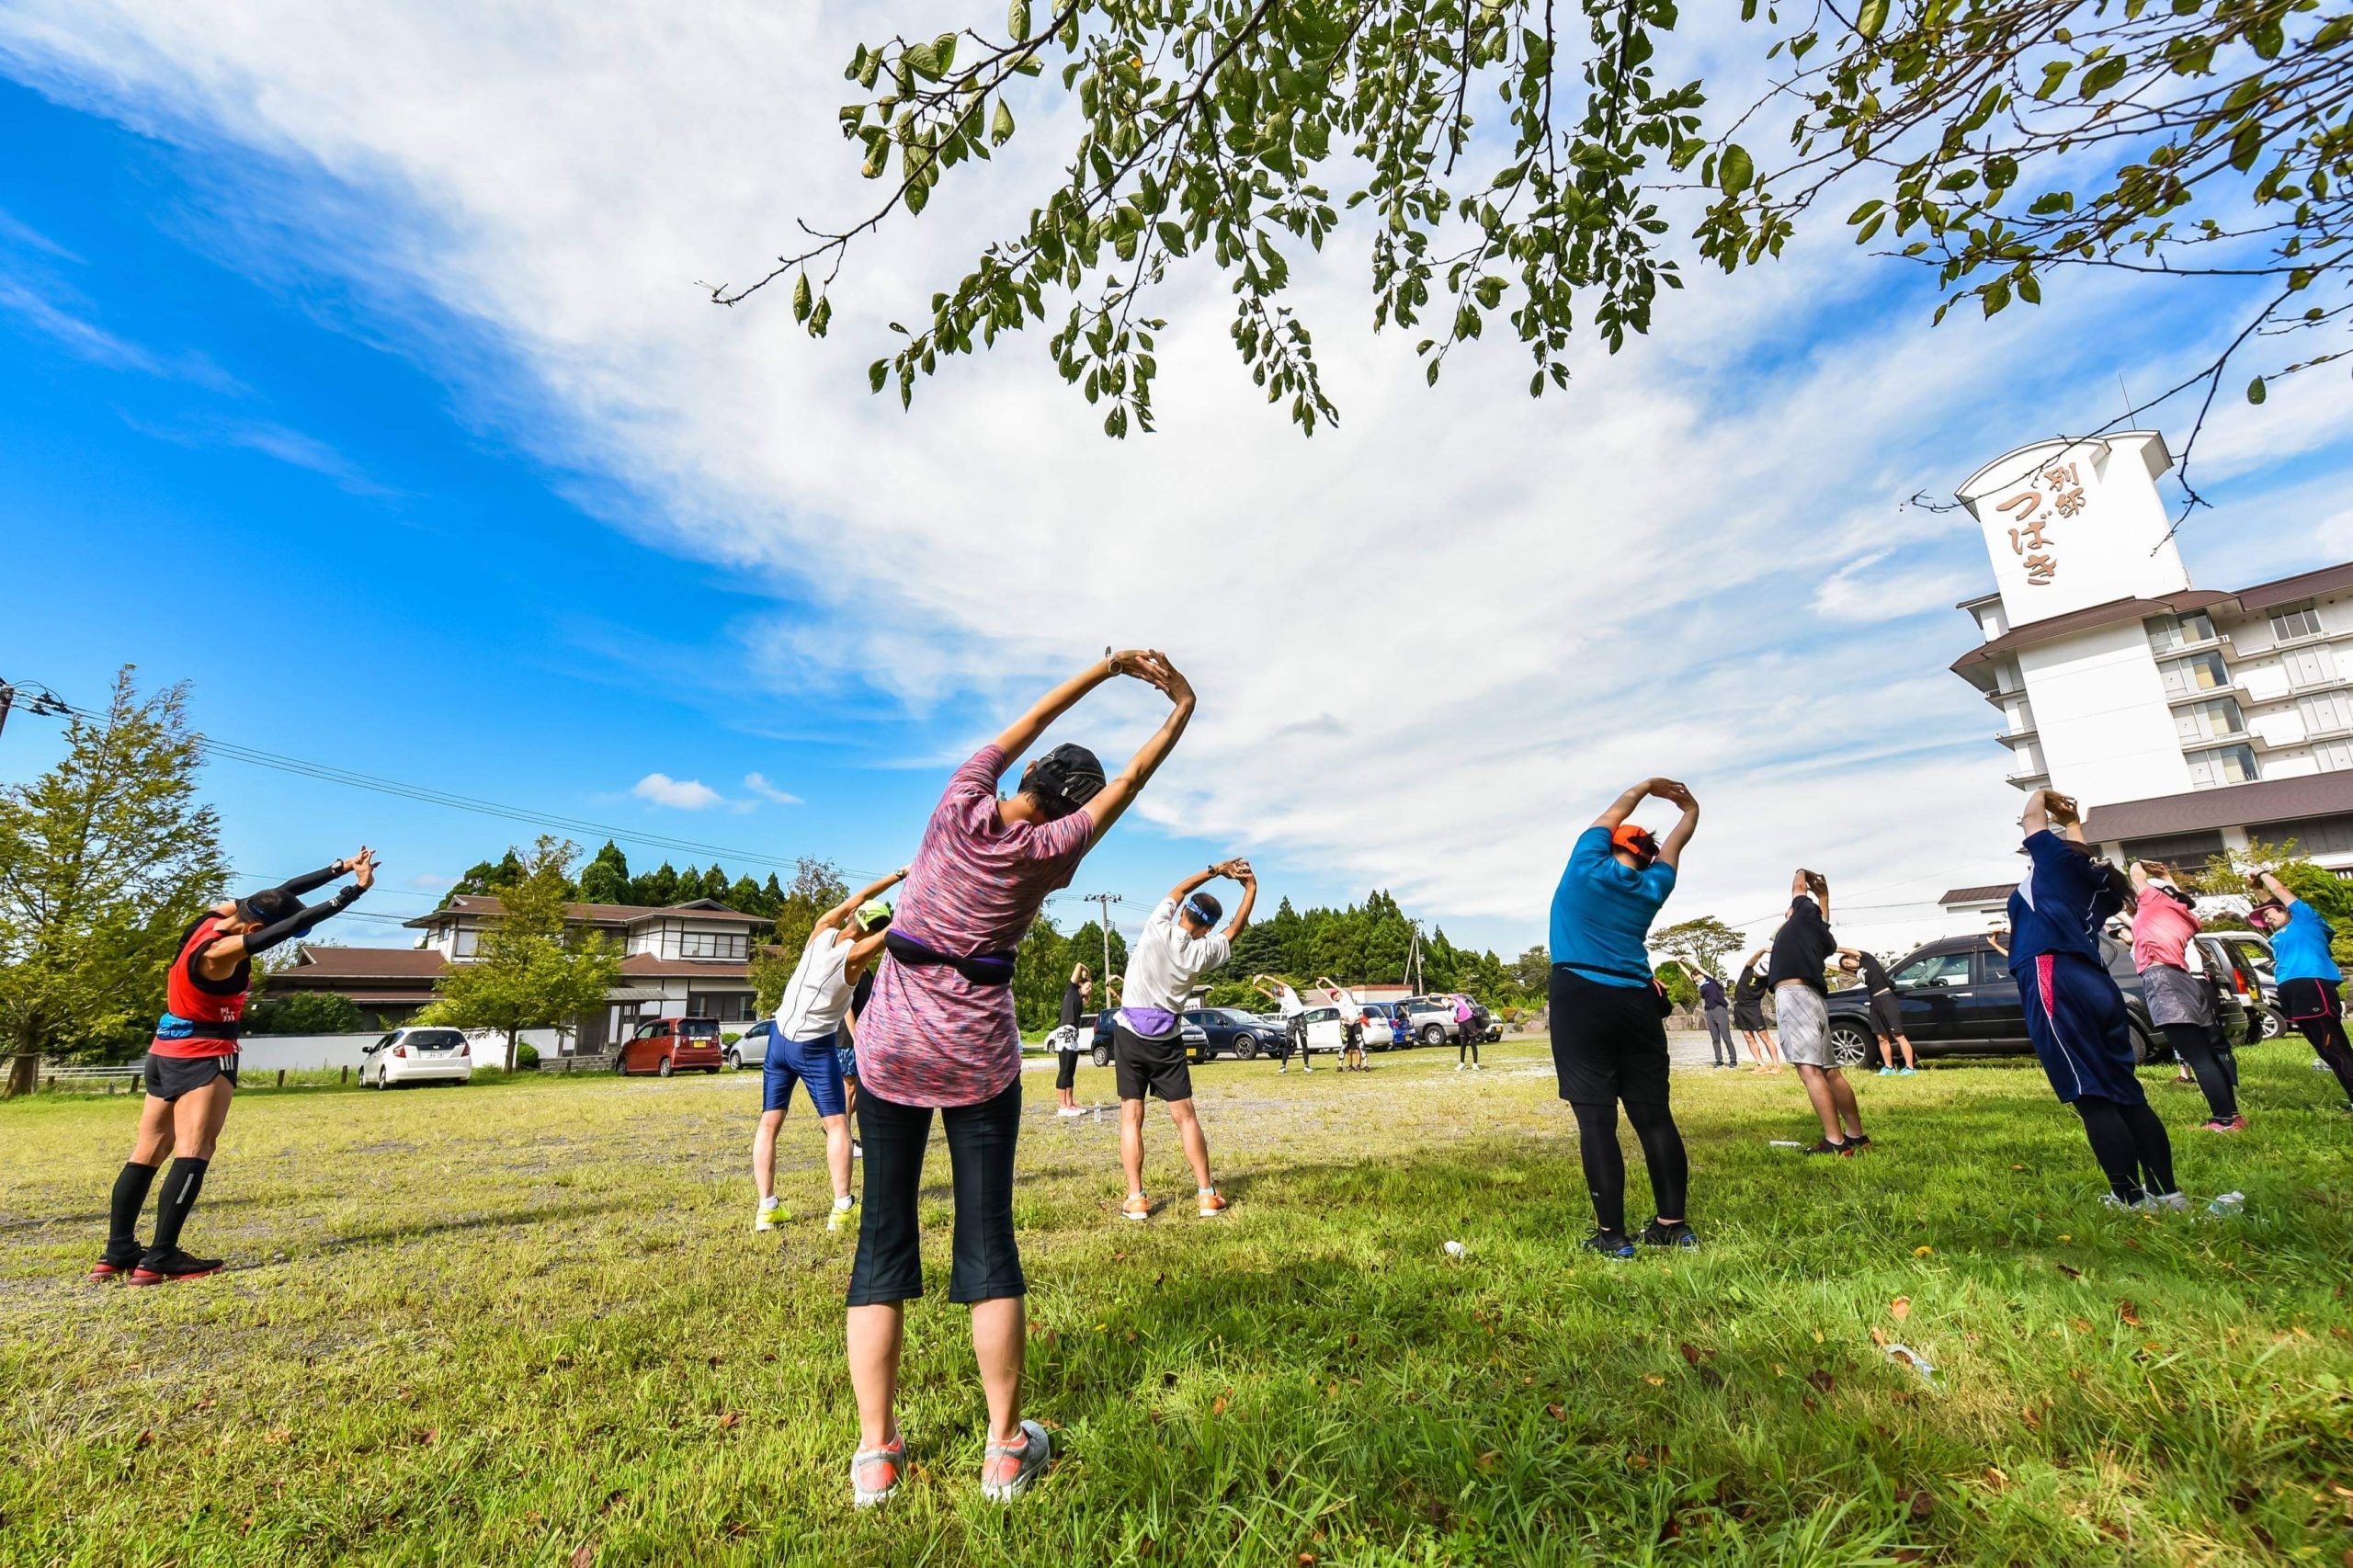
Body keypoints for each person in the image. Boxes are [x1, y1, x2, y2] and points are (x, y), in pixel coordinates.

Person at [843, 649, 1194, 1507]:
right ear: (1073, 806)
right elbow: (1135, 782)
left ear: (1028, 771)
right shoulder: (1054, 853)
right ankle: (1005, 1449)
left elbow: (1029, 721)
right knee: (987, 1241)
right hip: (976, 1056)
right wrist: (1180, 706)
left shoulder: (957, 804)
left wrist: (1109, 668)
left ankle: (874, 1456)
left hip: (888, 1049)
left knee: (883, 1238)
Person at [94, 851, 376, 1285]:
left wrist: (337, 868)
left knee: (146, 1151)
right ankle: (161, 1257)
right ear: (255, 929)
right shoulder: (220, 953)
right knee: (195, 1150)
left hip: (163, 1051)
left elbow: (282, 896)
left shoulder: (213, 919)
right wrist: (352, 893)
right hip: (204, 1054)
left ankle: (117, 1254)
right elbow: (279, 928)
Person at [2006, 790, 2185, 1209]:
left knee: (2091, 1094)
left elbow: (2032, 817)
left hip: (2053, 975)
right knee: (2125, 1090)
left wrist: (2046, 797)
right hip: (2095, 982)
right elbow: (2081, 855)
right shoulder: (2098, 888)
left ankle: (2128, 1198)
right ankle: (2167, 1194)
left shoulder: (2052, 866)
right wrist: (2072, 825)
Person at [1549, 777, 1702, 1257]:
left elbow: (1612, 812)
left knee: (1597, 1122)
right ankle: (1672, 1225)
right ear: (1646, 857)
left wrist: (1647, 786)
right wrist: (1689, 810)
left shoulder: (1584, 868)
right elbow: (1678, 843)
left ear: (1610, 844)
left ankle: (1613, 1238)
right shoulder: (1654, 886)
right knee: (1654, 1117)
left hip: (1580, 994)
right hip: (1637, 999)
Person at [756, 869, 906, 1234]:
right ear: (869, 931)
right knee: (837, 1125)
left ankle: (766, 1209)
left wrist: (898, 875)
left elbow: (857, 899)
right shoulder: (854, 958)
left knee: (769, 1124)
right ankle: (841, 1208)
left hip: (778, 1039)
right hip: (813, 1045)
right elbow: (894, 934)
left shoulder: (821, 931)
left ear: (852, 917)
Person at [1114, 861, 1256, 1221]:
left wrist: (1215, 871)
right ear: (1207, 927)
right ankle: (1207, 1195)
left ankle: (1137, 1199)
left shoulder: (1156, 927)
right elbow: (1234, 930)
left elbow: (1177, 890)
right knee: (1185, 1117)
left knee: (1132, 1117)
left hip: (1129, 1033)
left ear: (1184, 912)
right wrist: (1250, 889)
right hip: (1167, 1039)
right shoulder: (1201, 953)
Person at [2128, 862, 2244, 1131]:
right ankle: (2232, 1115)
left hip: (2163, 982)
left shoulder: (2153, 905)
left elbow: (2136, 876)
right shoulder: (2187, 919)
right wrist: (2167, 877)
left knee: (2198, 1057)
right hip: (2186, 981)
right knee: (2209, 1054)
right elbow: (2182, 901)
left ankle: (2224, 1120)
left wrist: (2137, 865)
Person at [1769, 870, 1868, 1155]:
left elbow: (1798, 887)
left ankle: (1835, 1141)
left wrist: (1803, 873)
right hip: (1814, 999)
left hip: (1795, 997)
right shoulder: (1821, 935)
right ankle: (1856, 1135)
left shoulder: (1800, 914)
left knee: (1810, 1071)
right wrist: (1824, 896)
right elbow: (1824, 922)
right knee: (1830, 1072)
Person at [2246, 867, 2353, 1112]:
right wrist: (2256, 888)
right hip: (2291, 991)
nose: (2267, 921)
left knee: (2334, 1048)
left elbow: (2280, 892)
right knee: (2325, 1051)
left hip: (2311, 986)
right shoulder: (2281, 931)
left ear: (2286, 910)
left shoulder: (2306, 920)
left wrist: (2261, 873)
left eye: (2270, 914)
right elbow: (2269, 901)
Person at [1837, 948, 1915, 1075]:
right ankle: (1888, 1068)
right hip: (1875, 1002)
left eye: (1847, 961)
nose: (1847, 965)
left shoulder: (1868, 960)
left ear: (1853, 958)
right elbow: (1838, 969)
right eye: (1845, 965)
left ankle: (1910, 1068)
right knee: (1881, 1037)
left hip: (1887, 999)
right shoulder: (1858, 973)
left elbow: (1851, 951)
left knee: (1898, 1035)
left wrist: (1835, 948)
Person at [1252, 974, 1313, 1073]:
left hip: (1300, 1017)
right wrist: (1256, 986)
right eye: (1277, 993)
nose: (1279, 993)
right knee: (1288, 1043)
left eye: (1279, 991)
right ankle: (1283, 1066)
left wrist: (1263, 976)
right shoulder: (1278, 998)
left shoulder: (1288, 989)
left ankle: (1306, 1065)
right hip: (1291, 1020)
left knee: (1303, 1042)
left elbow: (1274, 980)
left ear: (1281, 988)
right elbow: (1266, 992)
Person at [1053, 961, 1092, 1116]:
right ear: (1079, 984)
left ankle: (1070, 1103)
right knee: (1064, 1070)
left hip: (1074, 1034)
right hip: (1065, 1033)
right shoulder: (1071, 990)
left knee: (1071, 1071)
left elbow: (1088, 998)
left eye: (1090, 988)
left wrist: (1089, 981)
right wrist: (1086, 972)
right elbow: (1078, 965)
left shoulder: (1080, 1000)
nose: (1089, 989)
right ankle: (1062, 1106)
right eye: (1087, 986)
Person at [1730, 951, 1779, 1071]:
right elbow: (1752, 960)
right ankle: (1760, 1064)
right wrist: (1763, 950)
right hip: (1739, 1007)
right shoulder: (1749, 969)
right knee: (1748, 1036)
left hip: (1753, 1008)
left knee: (1764, 1036)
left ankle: (1776, 1065)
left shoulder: (1768, 980)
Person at [1320, 976, 1367, 1071]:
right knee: (1345, 1045)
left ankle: (1365, 1065)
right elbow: (1325, 995)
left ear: (1339, 992)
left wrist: (1326, 979)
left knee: (1360, 1044)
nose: (1335, 996)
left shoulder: (1346, 996)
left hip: (1355, 1022)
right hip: (1346, 1025)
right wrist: (1318, 985)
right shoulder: (1336, 1003)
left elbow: (1335, 986)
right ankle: (1342, 1066)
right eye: (1333, 996)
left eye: (1335, 994)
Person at [1697, 971, 1736, 1068]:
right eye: (1694, 977)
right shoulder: (1700, 986)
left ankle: (1733, 1059)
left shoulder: (1711, 981)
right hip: (1709, 1011)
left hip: (1719, 1009)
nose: (1695, 978)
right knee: (1715, 1038)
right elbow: (1690, 975)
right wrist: (1680, 963)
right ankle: (1719, 1059)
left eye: (1697, 975)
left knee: (1726, 1036)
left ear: (1701, 974)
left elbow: (1701, 969)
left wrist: (1690, 960)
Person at [1454, 994, 1482, 1071]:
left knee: (1473, 1043)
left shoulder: (1460, 999)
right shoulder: (1454, 1004)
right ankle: (1462, 1063)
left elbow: (1447, 996)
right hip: (1461, 1023)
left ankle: (1475, 1064)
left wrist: (1433, 994)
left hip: (1469, 1021)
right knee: (1463, 1044)